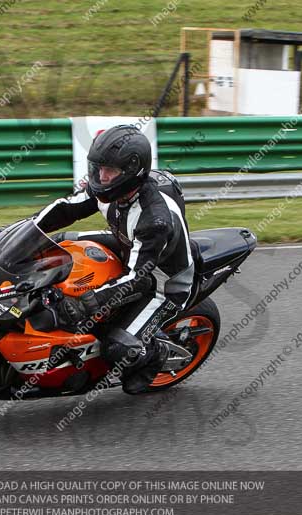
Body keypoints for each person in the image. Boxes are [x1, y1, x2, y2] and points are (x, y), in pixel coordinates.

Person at [34, 124, 195, 394]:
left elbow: (137, 278)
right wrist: (24, 230)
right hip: (128, 244)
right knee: (59, 243)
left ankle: (153, 355)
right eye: (99, 168)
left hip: (162, 281)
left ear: (131, 173)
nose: (101, 176)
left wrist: (85, 302)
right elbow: (66, 208)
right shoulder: (111, 189)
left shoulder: (153, 220)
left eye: (109, 170)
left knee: (117, 348)